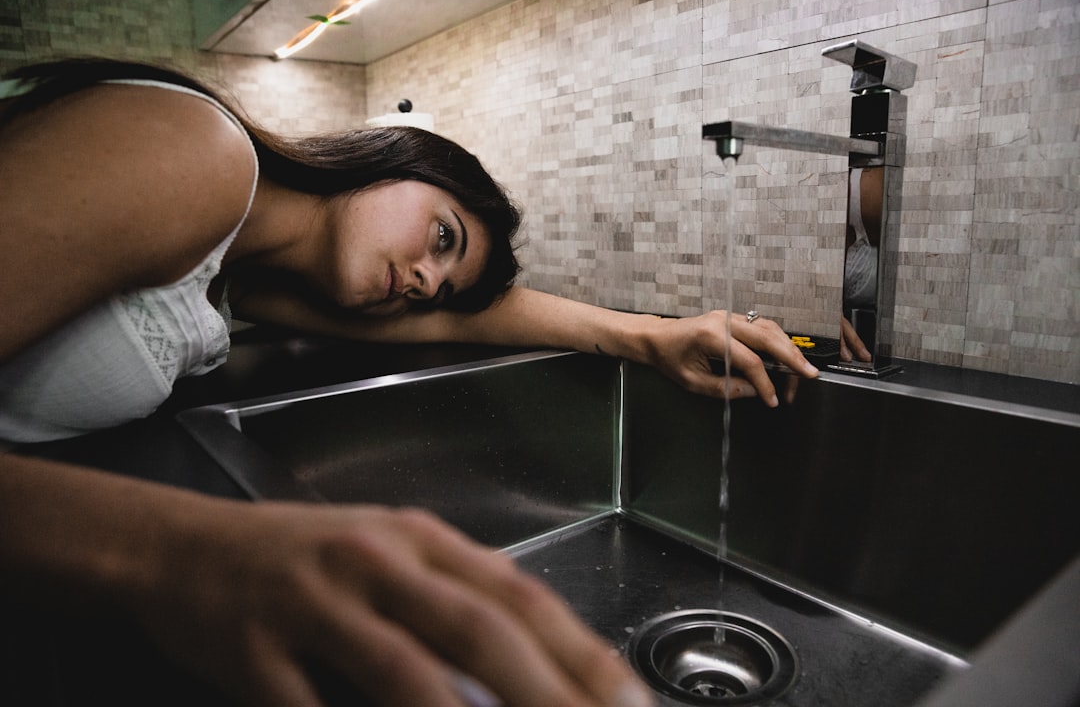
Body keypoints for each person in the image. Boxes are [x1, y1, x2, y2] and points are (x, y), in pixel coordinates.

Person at [0, 58, 819, 707]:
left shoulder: (242, 276)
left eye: (443, 276)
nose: (427, 280)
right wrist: (177, 552)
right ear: (394, 157)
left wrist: (648, 333)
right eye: (441, 235)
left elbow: (473, 317)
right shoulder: (197, 151)